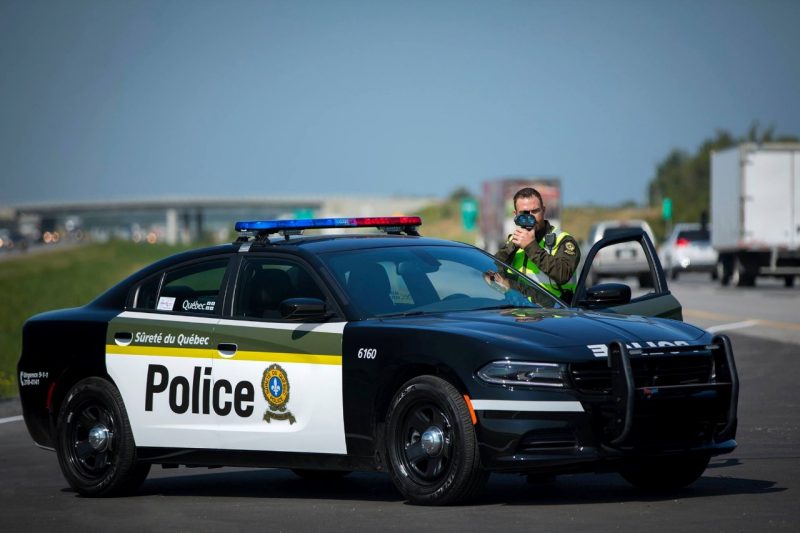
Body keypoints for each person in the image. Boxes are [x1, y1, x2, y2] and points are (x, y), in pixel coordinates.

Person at [494, 187, 580, 302]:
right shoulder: (512, 243)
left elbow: (563, 274)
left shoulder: (563, 240)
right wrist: (512, 247)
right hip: (517, 315)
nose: (530, 217)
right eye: (524, 213)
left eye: (535, 211)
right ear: (515, 215)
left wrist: (531, 246)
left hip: (554, 314)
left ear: (544, 210)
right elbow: (491, 270)